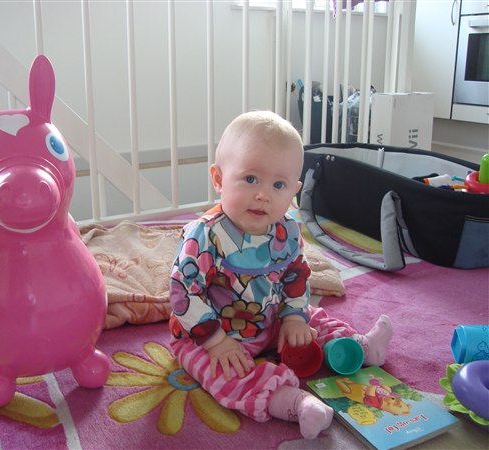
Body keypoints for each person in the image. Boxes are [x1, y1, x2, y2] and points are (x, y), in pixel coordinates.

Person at [168, 111, 393, 440]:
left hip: (271, 319)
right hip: (210, 334)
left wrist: (294, 318)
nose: (264, 195)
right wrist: (216, 342)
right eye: (250, 179)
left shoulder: (286, 230)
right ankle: (292, 403)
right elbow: (183, 292)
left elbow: (296, 277)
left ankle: (355, 348)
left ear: (294, 192)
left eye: (278, 185)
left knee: (314, 317)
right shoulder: (204, 237)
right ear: (218, 178)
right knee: (217, 372)